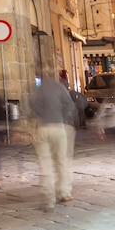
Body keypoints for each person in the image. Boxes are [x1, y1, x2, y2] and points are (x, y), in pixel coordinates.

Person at [30, 75, 76, 210]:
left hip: (42, 128)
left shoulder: (38, 89)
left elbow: (33, 105)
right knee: (61, 161)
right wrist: (61, 116)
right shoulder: (59, 87)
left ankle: (49, 199)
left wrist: (43, 115)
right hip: (58, 127)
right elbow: (69, 105)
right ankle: (64, 192)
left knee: (45, 164)